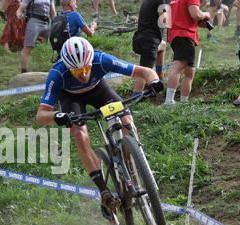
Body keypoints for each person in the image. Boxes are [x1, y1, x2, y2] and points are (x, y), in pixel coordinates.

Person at [35, 37, 163, 212]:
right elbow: (41, 115)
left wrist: (154, 81)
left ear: (90, 61)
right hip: (71, 98)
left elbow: (144, 71)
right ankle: (104, 191)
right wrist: (57, 115)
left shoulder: (100, 59)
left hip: (99, 90)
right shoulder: (57, 74)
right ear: (67, 67)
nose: (83, 74)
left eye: (86, 68)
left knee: (127, 121)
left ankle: (135, 161)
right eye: (76, 71)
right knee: (79, 134)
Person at [164, 0, 211, 105]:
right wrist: (206, 14)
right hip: (185, 35)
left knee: (189, 71)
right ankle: (168, 101)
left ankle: (183, 102)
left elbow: (182, 16)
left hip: (175, 34)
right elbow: (196, 14)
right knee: (178, 68)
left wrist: (198, 22)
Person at [132, 0, 169, 95]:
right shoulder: (160, 1)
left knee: (163, 45)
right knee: (144, 72)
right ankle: (135, 98)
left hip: (139, 39)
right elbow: (164, 20)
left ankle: (159, 76)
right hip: (149, 42)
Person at [16, 0, 56, 73]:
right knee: (28, 46)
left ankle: (60, 67)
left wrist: (56, 24)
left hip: (47, 23)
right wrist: (19, 14)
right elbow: (21, 8)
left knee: (58, 42)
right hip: (34, 21)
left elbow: (53, 12)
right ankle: (24, 71)